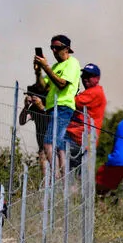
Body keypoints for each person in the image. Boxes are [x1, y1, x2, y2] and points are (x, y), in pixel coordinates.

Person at [33, 34, 81, 179]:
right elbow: (42, 87)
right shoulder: (55, 66)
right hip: (53, 107)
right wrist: (38, 71)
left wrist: (46, 67)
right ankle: (64, 180)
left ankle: (55, 178)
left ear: (67, 49)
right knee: (59, 146)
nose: (54, 51)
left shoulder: (72, 63)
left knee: (48, 144)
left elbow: (61, 84)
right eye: (52, 48)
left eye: (57, 47)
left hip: (63, 107)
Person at [64, 63, 107, 174]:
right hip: (80, 139)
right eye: (83, 76)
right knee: (74, 174)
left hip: (78, 139)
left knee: (66, 171)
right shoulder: (90, 92)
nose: (85, 79)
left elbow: (71, 102)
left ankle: (64, 188)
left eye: (89, 76)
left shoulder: (94, 92)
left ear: (97, 78)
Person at [19, 82, 48, 175]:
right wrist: (26, 107)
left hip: (55, 145)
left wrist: (42, 108)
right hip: (42, 147)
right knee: (45, 174)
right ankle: (46, 187)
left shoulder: (50, 105)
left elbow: (53, 119)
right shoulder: (34, 109)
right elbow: (22, 121)